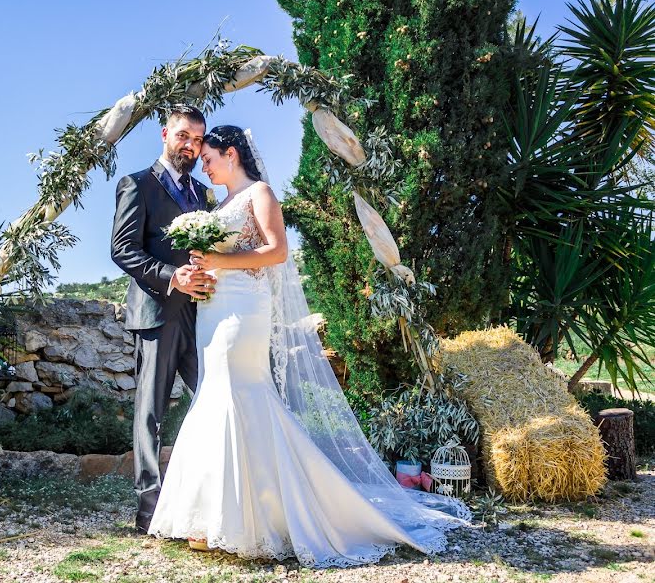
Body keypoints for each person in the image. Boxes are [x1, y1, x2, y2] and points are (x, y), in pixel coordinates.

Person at [147, 125, 470, 568]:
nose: (203, 163)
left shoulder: (258, 193)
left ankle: (255, 519)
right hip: (214, 310)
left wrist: (221, 261)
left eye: (209, 156)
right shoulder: (217, 204)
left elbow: (277, 252)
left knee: (240, 397)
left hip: (245, 314)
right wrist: (205, 277)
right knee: (213, 397)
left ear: (231, 155)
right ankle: (212, 517)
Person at [110, 105, 218, 535]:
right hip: (157, 313)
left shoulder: (203, 195)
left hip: (204, 315)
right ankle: (149, 510)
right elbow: (122, 249)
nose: (190, 146)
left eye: (197, 139)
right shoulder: (136, 184)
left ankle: (211, 494)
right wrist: (172, 276)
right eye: (183, 136)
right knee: (151, 413)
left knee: (216, 397)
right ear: (164, 134)